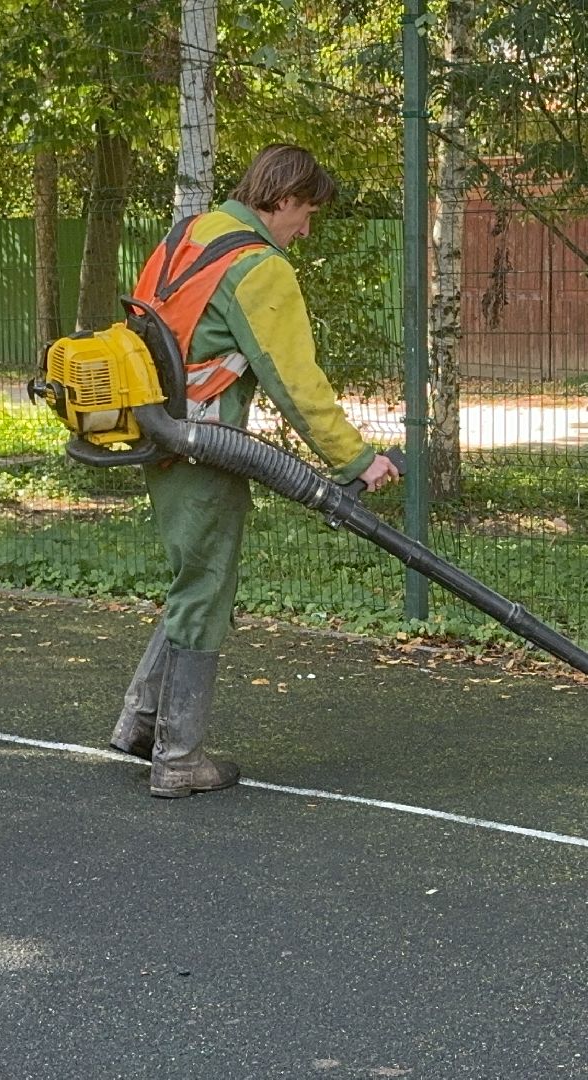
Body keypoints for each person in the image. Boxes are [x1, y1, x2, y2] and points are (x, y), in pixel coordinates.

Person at [109, 144, 400, 798]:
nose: (306, 229)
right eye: (308, 214)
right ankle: (178, 760)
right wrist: (357, 460)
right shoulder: (258, 266)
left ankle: (140, 722)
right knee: (206, 585)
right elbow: (297, 385)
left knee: (194, 577)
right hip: (201, 446)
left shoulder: (194, 232)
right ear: (286, 197)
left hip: (155, 434)